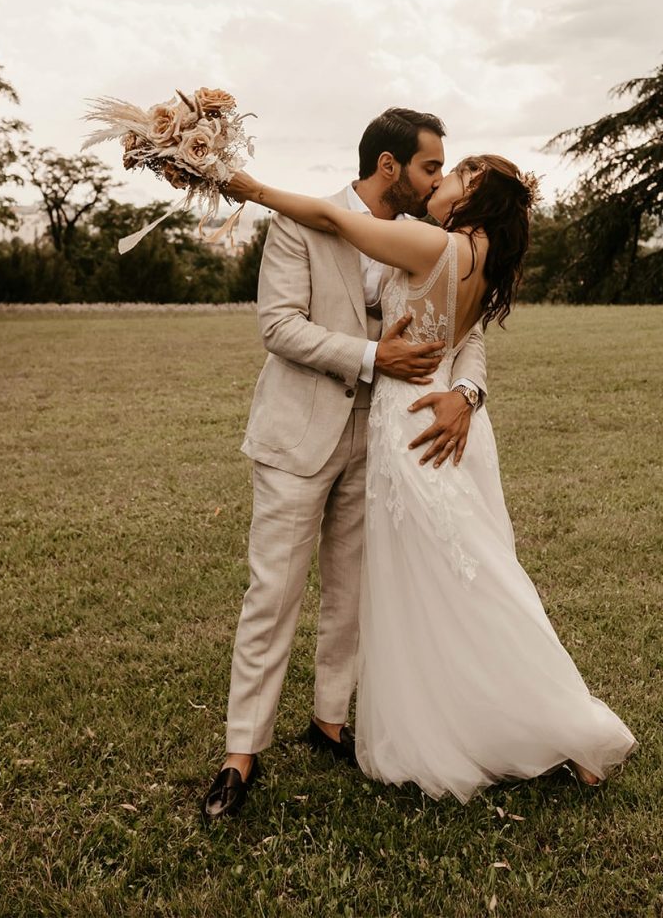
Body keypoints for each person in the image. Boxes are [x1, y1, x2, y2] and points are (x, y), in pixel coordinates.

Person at [219, 151, 637, 803]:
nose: (441, 180)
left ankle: (569, 726)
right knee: (448, 584)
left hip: (412, 429)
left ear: (475, 195)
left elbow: (331, 213)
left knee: (468, 583)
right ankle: (494, 719)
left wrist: (248, 186)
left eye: (456, 173)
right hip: (415, 427)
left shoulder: (434, 244)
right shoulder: (478, 255)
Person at [200, 109, 488, 820]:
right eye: (429, 167)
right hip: (299, 433)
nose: (435, 180)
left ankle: (330, 721)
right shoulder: (304, 220)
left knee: (354, 591)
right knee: (274, 592)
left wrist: (466, 390)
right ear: (389, 166)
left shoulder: (433, 238)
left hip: (388, 441)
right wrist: (370, 355)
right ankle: (241, 752)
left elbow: (471, 331)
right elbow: (279, 325)